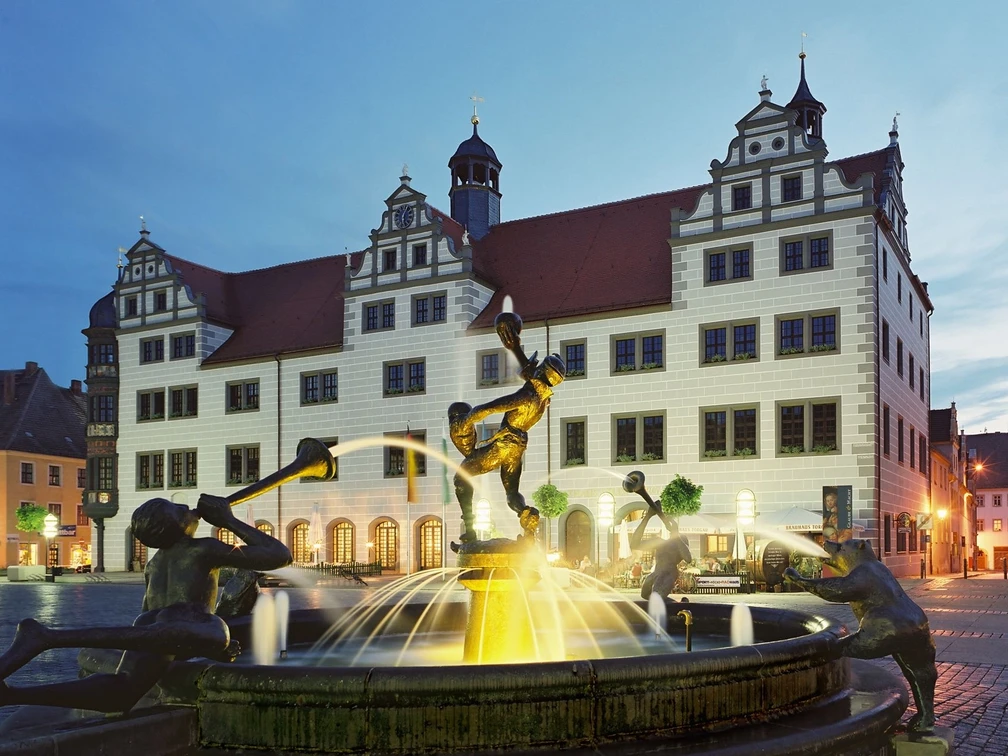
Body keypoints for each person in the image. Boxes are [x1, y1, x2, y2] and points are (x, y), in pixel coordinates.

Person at [0, 494, 291, 713]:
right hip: (186, 620)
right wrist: (227, 519)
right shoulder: (201, 549)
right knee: (219, 632)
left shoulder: (154, 564)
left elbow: (150, 614)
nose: (189, 508)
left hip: (153, 624)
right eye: (179, 509)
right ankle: (50, 638)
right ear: (175, 525)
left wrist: (196, 647)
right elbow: (278, 556)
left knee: (122, 694)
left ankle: (12, 695)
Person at [450, 312, 565, 547]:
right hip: (518, 444)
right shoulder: (542, 397)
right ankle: (527, 515)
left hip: (505, 442)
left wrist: (469, 418)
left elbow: (496, 405)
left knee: (462, 476)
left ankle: (469, 531)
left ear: (543, 372)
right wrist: (515, 348)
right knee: (512, 492)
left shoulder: (527, 395)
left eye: (540, 367)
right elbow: (531, 374)